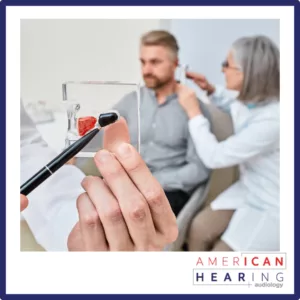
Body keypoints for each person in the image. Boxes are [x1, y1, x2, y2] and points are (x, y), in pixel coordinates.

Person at [20, 100, 178, 251]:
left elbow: (22, 148)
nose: (147, 69)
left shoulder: (183, 108)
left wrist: (84, 229)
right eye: (145, 68)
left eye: (155, 68)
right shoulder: (131, 99)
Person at [85, 30, 211, 216]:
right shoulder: (130, 101)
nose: (146, 70)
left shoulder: (194, 109)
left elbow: (199, 169)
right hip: (127, 185)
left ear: (175, 64)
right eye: (143, 62)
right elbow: (99, 134)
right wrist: (71, 155)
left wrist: (150, 180)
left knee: (127, 218)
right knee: (89, 209)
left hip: (166, 191)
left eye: (155, 62)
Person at [176, 35, 280, 251]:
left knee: (222, 257)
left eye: (227, 65)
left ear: (248, 74)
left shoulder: (273, 121)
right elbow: (234, 104)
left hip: (273, 203)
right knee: (199, 228)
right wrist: (209, 89)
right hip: (249, 188)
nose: (222, 69)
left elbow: (215, 157)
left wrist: (193, 112)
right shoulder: (253, 101)